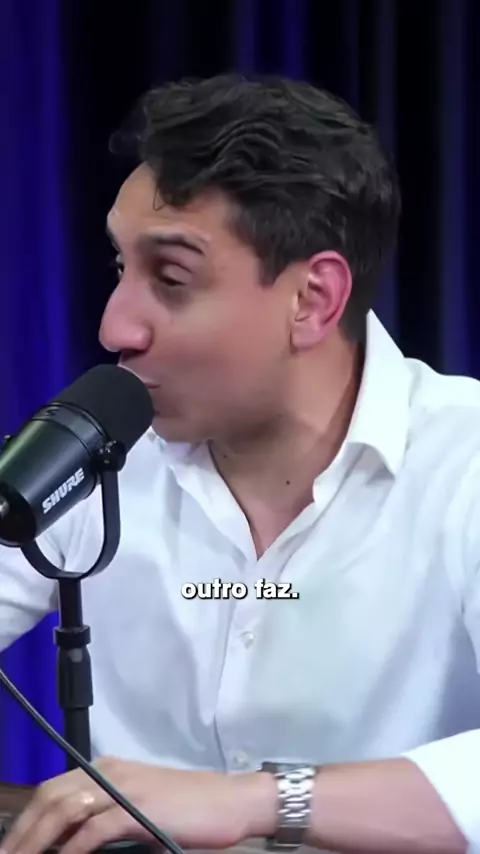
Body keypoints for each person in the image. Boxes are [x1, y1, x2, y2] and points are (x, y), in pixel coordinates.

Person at [0, 72, 478, 854]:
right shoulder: (97, 448)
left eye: (171, 279)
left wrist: (258, 802)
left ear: (313, 300)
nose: (115, 327)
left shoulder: (465, 457)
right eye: (121, 268)